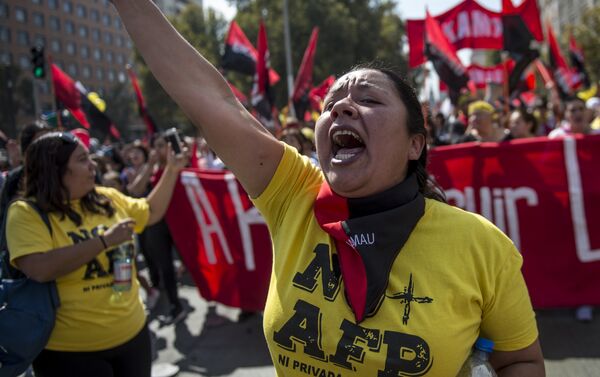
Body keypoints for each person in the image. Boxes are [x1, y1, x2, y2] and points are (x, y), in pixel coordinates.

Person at [113, 1, 545, 375]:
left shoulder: (483, 247)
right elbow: (212, 102)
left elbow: (521, 361)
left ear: (416, 143)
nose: (341, 107)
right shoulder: (294, 193)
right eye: (330, 105)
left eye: (370, 100)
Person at [6, 131, 188, 377]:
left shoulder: (106, 197)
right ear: (55, 170)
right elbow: (39, 267)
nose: (92, 164)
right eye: (82, 160)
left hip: (132, 335)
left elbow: (151, 211)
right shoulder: (26, 212)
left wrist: (172, 170)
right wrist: (103, 241)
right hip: (69, 352)